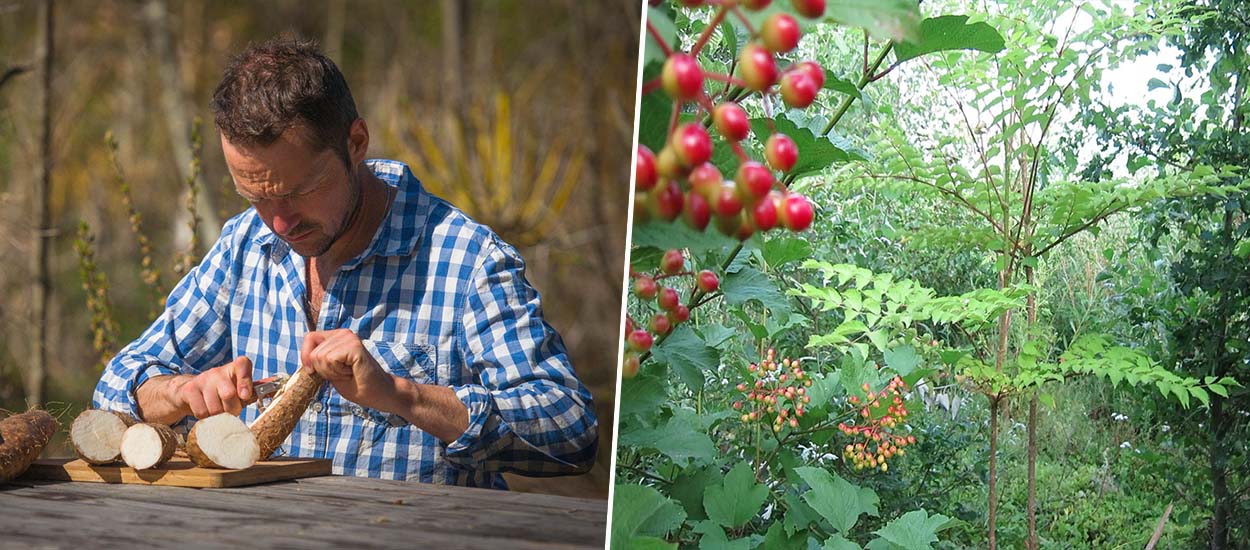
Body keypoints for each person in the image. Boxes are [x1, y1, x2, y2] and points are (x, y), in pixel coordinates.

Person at [92, 38, 597, 488]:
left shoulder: (469, 261)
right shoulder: (244, 247)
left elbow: (571, 433)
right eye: (254, 197)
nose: (279, 224)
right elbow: (117, 385)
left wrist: (404, 395)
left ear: (356, 143)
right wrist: (185, 391)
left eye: (300, 192)